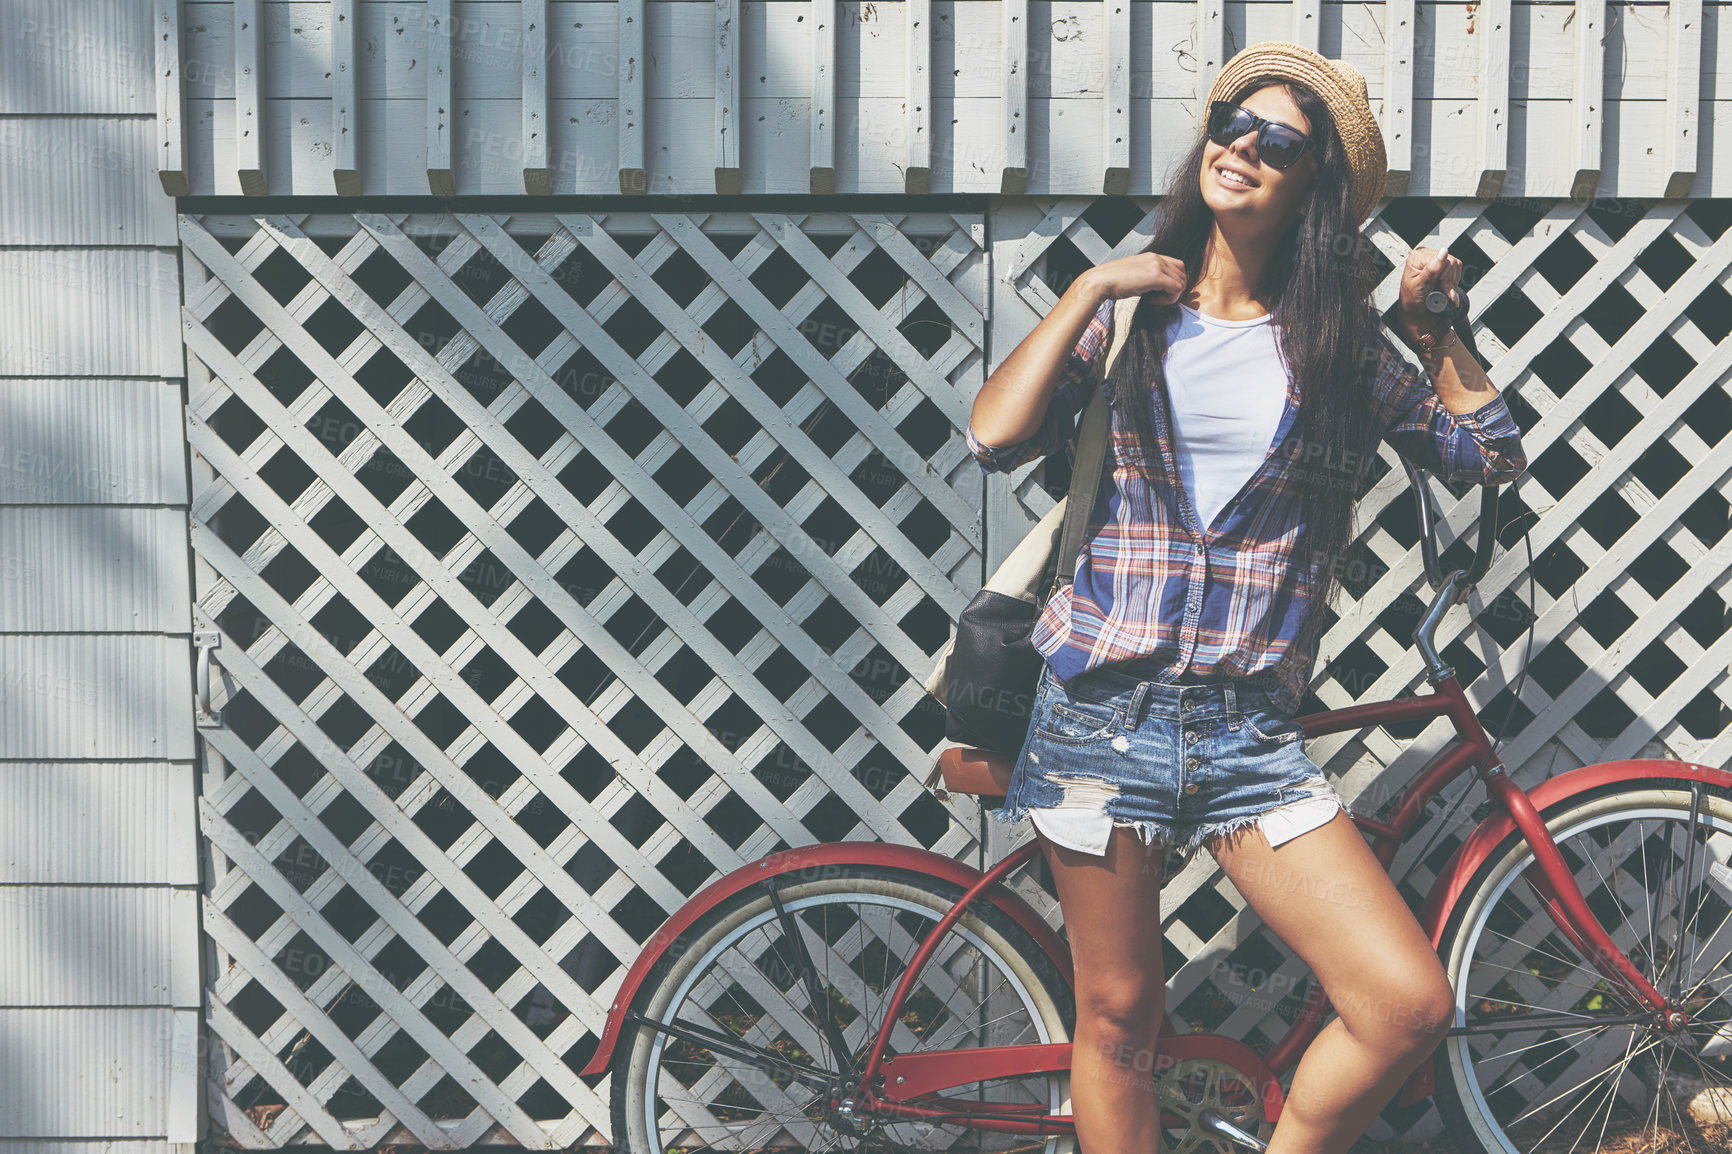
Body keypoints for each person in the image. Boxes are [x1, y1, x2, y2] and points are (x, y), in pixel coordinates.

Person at [963, 42, 1529, 1154]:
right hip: (1097, 716)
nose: (1241, 146)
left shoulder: (1338, 351)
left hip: (1246, 737)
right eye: (1232, 120)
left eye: (1279, 142)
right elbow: (993, 432)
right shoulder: (1135, 317)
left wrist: (1436, 325)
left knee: (1403, 1000)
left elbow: (1486, 456)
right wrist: (1092, 283)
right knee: (1120, 1016)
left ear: (1312, 187)